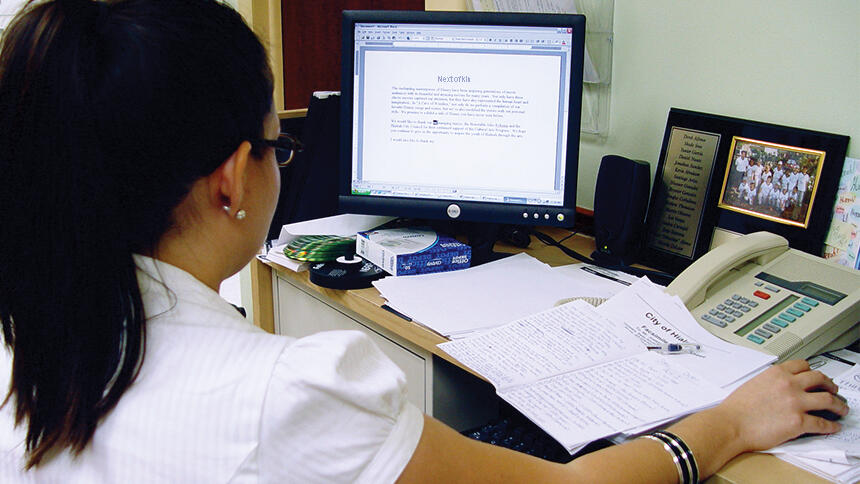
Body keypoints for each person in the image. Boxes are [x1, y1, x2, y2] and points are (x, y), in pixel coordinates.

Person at [0, 1, 848, 483]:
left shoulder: (35, 340)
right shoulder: (287, 390)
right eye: (278, 146)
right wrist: (729, 421)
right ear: (231, 179)